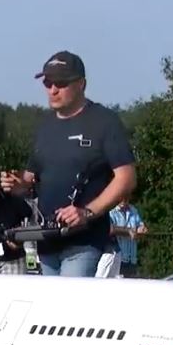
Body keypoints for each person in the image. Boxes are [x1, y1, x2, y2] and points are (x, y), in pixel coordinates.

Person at [14, 51, 135, 277]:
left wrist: (87, 212)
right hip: (47, 240)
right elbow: (29, 179)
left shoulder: (104, 121)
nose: (53, 90)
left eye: (60, 83)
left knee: (66, 305)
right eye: (48, 83)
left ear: (81, 84)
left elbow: (126, 178)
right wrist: (15, 184)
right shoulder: (45, 127)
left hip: (84, 241)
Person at [109, 198, 146, 278]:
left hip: (132, 258)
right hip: (117, 258)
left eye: (126, 197)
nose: (123, 200)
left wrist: (142, 228)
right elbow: (110, 229)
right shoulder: (111, 211)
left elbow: (140, 224)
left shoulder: (133, 210)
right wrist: (128, 231)